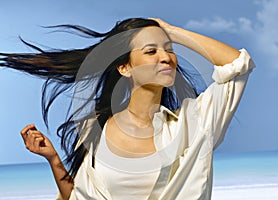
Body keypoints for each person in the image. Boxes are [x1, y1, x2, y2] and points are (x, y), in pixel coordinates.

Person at [1, 18, 255, 199]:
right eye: (151, 51)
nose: (166, 57)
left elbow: (237, 64)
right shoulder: (93, 128)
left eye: (169, 50)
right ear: (125, 67)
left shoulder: (195, 122)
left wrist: (170, 31)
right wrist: (54, 159)